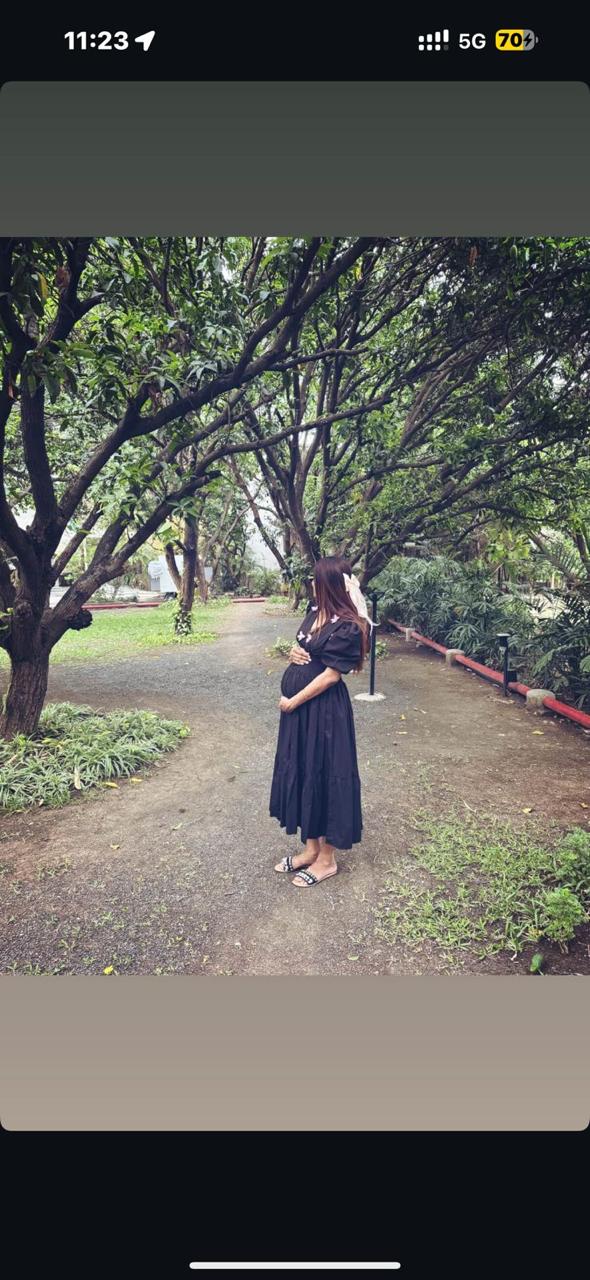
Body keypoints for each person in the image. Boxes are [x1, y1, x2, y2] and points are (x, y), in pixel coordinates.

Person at [269, 555, 370, 887]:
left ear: (329, 585)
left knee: (324, 774)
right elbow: (305, 648)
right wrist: (292, 654)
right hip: (301, 715)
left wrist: (291, 702)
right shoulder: (314, 612)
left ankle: (327, 860)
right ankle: (311, 849)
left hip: (323, 713)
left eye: (316, 579)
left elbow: (330, 676)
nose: (311, 584)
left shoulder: (349, 625)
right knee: (302, 771)